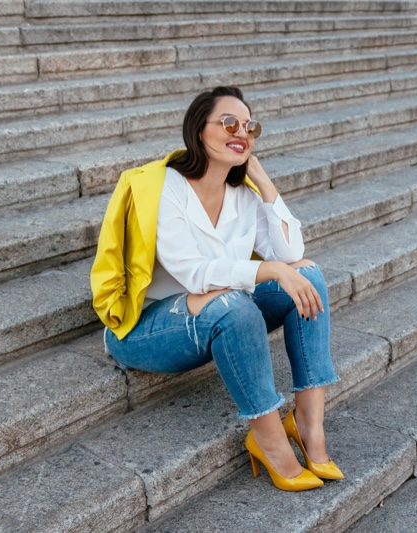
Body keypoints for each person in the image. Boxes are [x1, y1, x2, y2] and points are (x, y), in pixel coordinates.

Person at [90, 86, 342, 491]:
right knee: (235, 305)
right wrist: (273, 270)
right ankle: (269, 442)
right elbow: (194, 272)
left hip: (215, 308)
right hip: (146, 330)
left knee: (307, 276)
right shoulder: (164, 189)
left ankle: (309, 428)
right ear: (198, 130)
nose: (240, 131)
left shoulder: (243, 194)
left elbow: (292, 249)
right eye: (228, 122)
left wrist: (262, 178)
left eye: (249, 126)